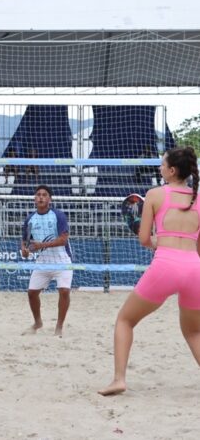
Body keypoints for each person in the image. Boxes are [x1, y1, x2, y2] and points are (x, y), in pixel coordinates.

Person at [99, 146, 200, 396]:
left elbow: (144, 239)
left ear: (172, 170)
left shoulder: (155, 194)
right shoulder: (198, 198)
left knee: (125, 320)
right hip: (194, 267)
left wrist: (160, 242)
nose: (159, 167)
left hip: (166, 265)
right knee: (194, 331)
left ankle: (119, 379)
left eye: (163, 163)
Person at [21, 184, 73, 336]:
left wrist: (41, 245)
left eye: (44, 195)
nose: (41, 197)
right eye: (38, 195)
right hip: (42, 261)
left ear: (49, 199)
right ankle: (38, 322)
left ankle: (59, 326)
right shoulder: (30, 219)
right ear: (34, 199)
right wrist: (24, 251)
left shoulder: (58, 215)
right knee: (31, 293)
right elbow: (25, 241)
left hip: (61, 259)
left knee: (64, 291)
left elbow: (63, 240)